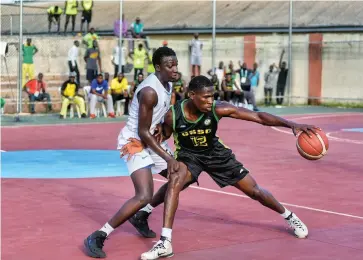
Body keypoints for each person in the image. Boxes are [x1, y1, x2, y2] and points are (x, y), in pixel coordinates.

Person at [122, 76, 318, 260]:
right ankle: (165, 242)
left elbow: (258, 116)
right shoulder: (173, 115)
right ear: (192, 95)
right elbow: (163, 133)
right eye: (206, 97)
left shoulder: (218, 109)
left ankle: (289, 216)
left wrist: (291, 124)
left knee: (255, 191)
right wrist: (155, 136)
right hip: (190, 156)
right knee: (176, 179)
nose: (210, 100)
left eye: (212, 96)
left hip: (217, 155)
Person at [83, 47, 182, 259]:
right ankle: (99, 235)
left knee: (181, 175)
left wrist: (164, 131)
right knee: (144, 194)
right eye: (169, 65)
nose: (175, 69)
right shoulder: (149, 91)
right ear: (158, 67)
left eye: (175, 64)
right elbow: (142, 132)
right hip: (134, 141)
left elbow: (158, 119)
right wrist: (167, 157)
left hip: (149, 138)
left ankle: (141, 216)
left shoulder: (169, 83)